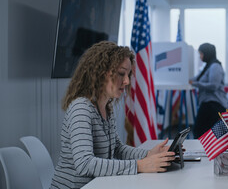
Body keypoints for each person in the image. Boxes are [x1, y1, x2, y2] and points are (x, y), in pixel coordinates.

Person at [51, 41, 176, 188]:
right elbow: (85, 164)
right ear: (100, 73)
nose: (127, 81)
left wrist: (148, 154)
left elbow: (117, 149)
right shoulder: (81, 109)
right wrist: (139, 166)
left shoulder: (106, 107)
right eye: (121, 74)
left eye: (128, 74)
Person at [189, 43, 228, 138]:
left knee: (199, 131)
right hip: (208, 104)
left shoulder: (215, 67)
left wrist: (194, 84)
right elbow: (196, 78)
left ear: (207, 53)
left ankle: (202, 151)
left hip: (214, 105)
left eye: (201, 54)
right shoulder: (208, 66)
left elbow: (214, 86)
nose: (200, 56)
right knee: (202, 131)